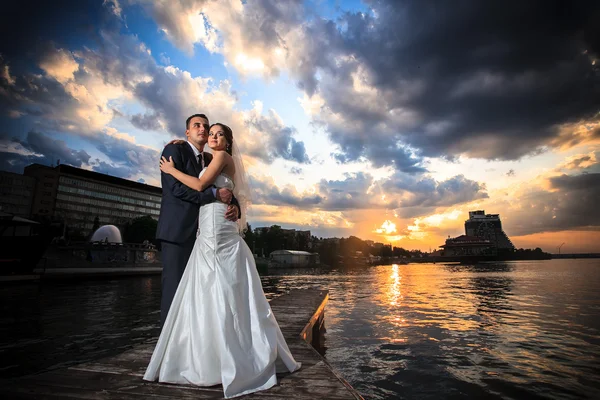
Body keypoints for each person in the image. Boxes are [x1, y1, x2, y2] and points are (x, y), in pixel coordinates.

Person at [144, 123, 301, 398]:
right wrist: (180, 144)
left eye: (218, 133)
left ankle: (217, 355)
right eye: (208, 131)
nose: (212, 135)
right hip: (205, 226)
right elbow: (219, 187)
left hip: (217, 228)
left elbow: (202, 184)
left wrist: (170, 170)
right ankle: (205, 349)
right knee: (203, 287)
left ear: (228, 141)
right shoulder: (206, 157)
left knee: (218, 284)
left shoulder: (219, 157)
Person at [155, 114, 240, 327]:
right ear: (187, 132)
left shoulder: (212, 159)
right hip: (178, 231)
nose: (203, 129)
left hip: (205, 234)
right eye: (197, 125)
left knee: (199, 290)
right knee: (174, 289)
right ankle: (168, 348)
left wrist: (235, 207)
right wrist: (213, 195)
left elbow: (226, 188)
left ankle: (191, 339)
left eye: (206, 126)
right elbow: (175, 189)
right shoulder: (174, 150)